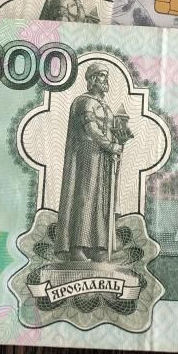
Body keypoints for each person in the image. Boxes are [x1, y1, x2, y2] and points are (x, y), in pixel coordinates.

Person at [55, 64, 122, 262]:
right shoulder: (84, 102)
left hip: (103, 156)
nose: (104, 80)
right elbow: (91, 129)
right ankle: (77, 247)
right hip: (86, 153)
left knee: (101, 199)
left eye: (105, 76)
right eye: (100, 76)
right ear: (91, 79)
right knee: (86, 196)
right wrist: (110, 145)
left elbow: (111, 130)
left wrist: (116, 144)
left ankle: (97, 246)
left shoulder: (105, 105)